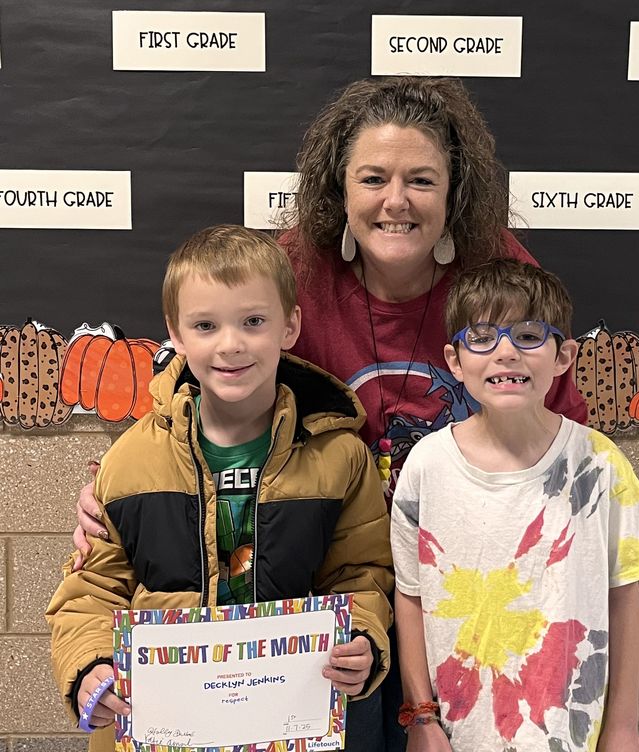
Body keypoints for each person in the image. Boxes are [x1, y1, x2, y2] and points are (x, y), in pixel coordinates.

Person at [71, 76, 588, 750]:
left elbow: (562, 422)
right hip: (334, 585)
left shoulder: (497, 271)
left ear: (454, 192)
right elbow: (194, 385)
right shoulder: (293, 273)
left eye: (422, 181)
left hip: (469, 580)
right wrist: (109, 485)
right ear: (339, 189)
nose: (395, 201)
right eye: (373, 178)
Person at [47, 225, 393, 752]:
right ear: (177, 334)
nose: (230, 345)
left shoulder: (338, 456)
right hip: (164, 727)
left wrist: (362, 639)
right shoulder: (132, 460)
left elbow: (362, 576)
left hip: (289, 722)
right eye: (205, 325)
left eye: (253, 321)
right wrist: (91, 666)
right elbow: (89, 593)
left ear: (290, 325)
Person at [390, 259, 639, 752]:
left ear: (564, 356)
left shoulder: (600, 465)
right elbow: (410, 597)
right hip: (456, 735)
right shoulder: (426, 467)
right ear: (454, 361)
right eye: (482, 337)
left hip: (571, 734)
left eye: (528, 335)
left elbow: (623, 599)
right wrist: (421, 719)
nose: (505, 353)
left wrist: (623, 726)